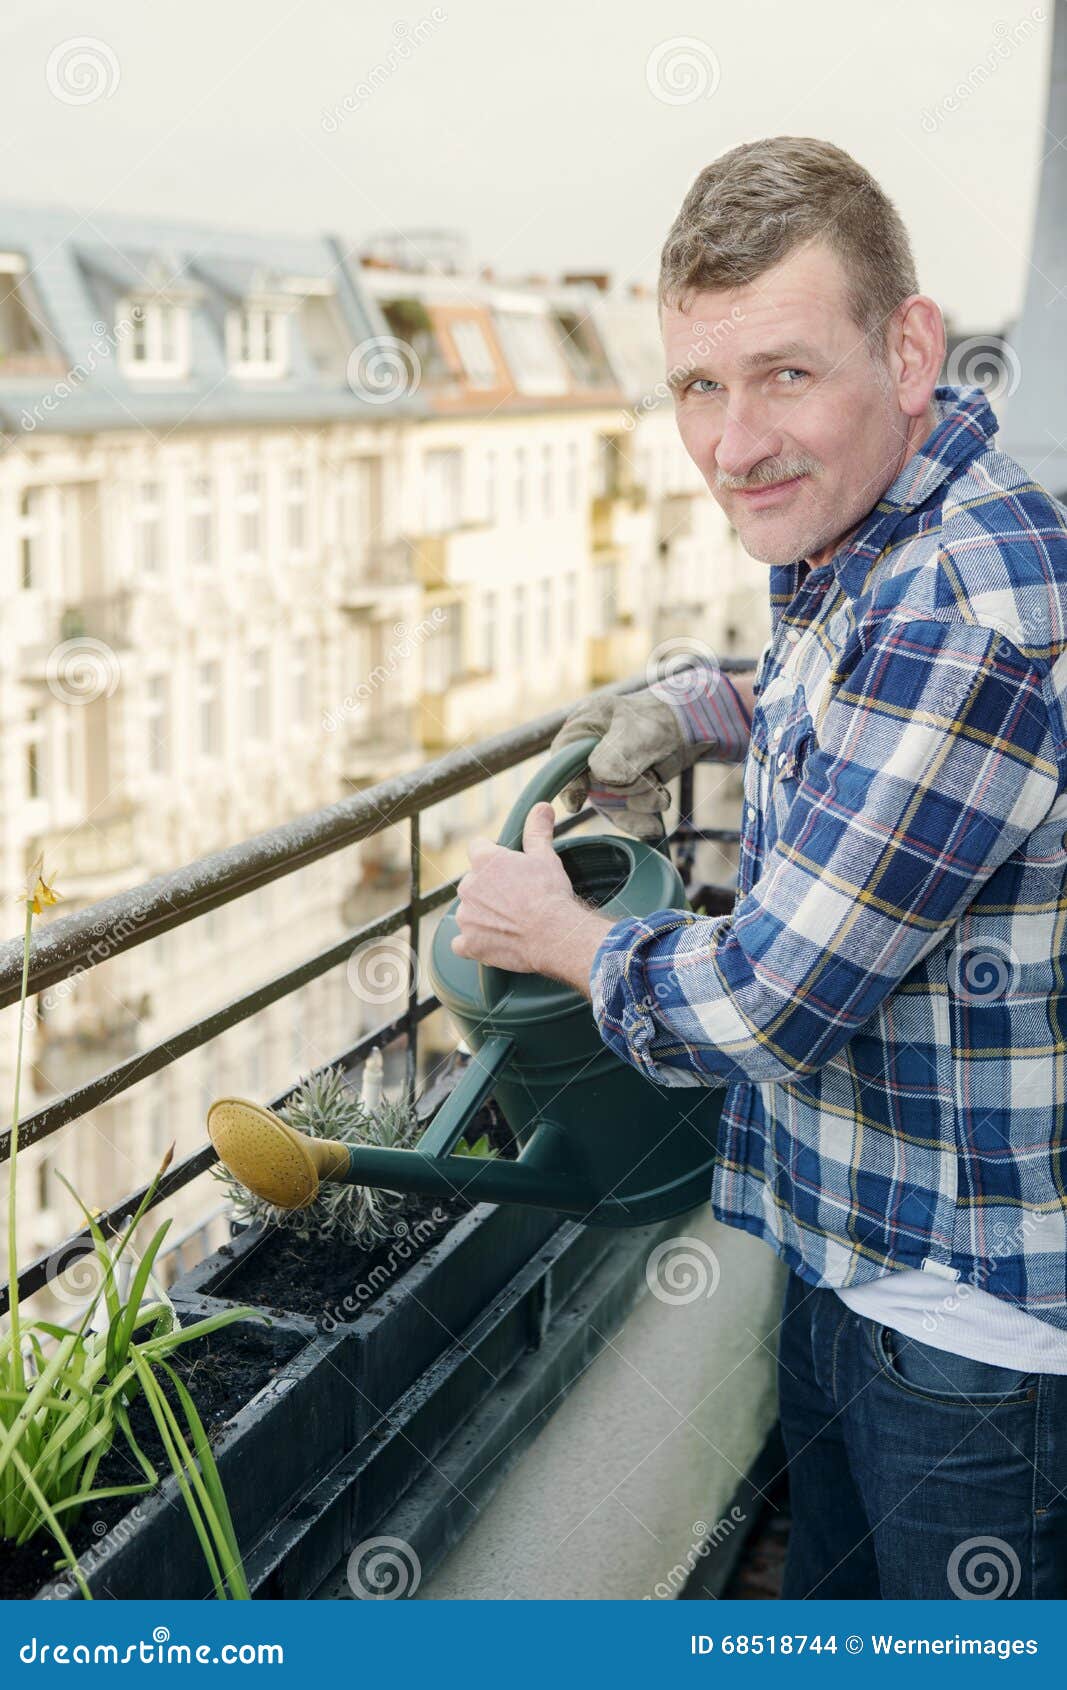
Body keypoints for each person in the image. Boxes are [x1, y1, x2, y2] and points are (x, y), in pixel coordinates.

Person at [451, 136, 1067, 1599]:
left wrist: (562, 938)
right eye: (697, 387)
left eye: (785, 373)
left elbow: (767, 1005)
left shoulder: (973, 603)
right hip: (864, 1248)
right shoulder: (882, 536)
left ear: (911, 349)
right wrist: (696, 707)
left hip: (972, 1334)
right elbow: (849, 713)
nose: (733, 444)